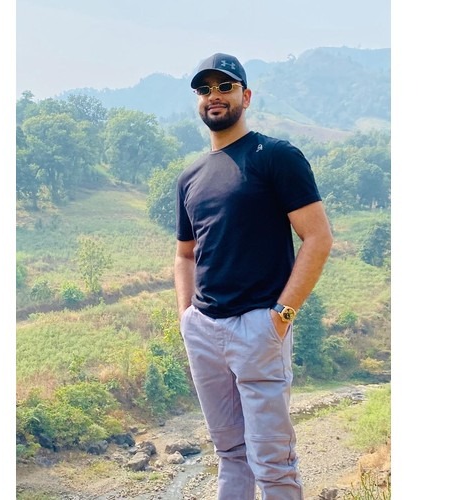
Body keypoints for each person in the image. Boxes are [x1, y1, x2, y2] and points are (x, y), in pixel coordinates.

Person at [174, 52, 333, 500]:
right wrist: (186, 318)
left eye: (225, 87)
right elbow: (185, 254)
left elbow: (318, 238)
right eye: (205, 89)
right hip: (204, 330)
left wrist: (281, 317)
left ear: (245, 96)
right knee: (230, 454)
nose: (214, 96)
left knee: (273, 463)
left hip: (258, 328)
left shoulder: (275, 156)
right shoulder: (190, 177)